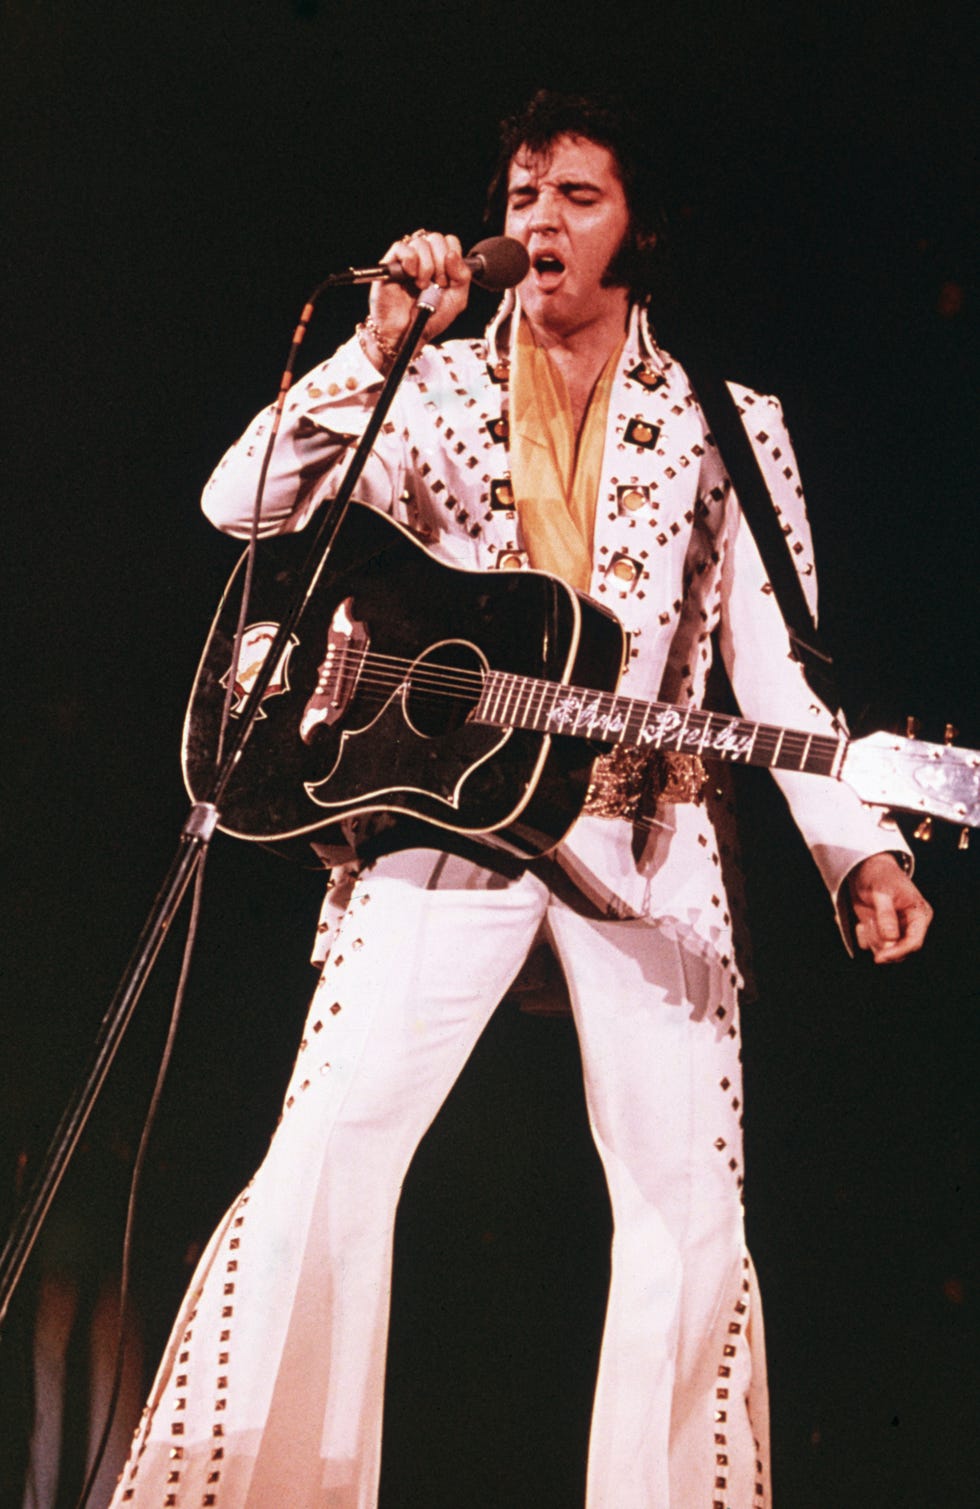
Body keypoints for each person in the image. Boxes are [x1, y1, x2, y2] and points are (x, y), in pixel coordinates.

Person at [109, 91, 932, 1508]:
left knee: (684, 1221)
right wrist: (374, 344)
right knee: (325, 1156)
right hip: (440, 824)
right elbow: (236, 502)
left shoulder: (731, 426)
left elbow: (777, 675)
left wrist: (860, 848)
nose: (536, 223)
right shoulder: (418, 383)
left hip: (650, 828)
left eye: (576, 197)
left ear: (640, 231)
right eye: (520, 194)